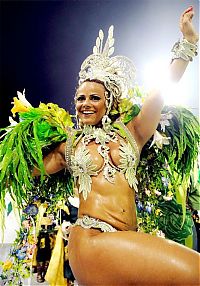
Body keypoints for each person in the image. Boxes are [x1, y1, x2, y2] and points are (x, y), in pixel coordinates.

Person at [31, 6, 199, 285]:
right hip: (91, 241)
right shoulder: (68, 146)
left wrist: (188, 43)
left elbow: (160, 93)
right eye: (80, 98)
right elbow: (28, 171)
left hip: (124, 239)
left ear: (108, 102)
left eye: (94, 98)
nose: (85, 104)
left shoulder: (133, 133)